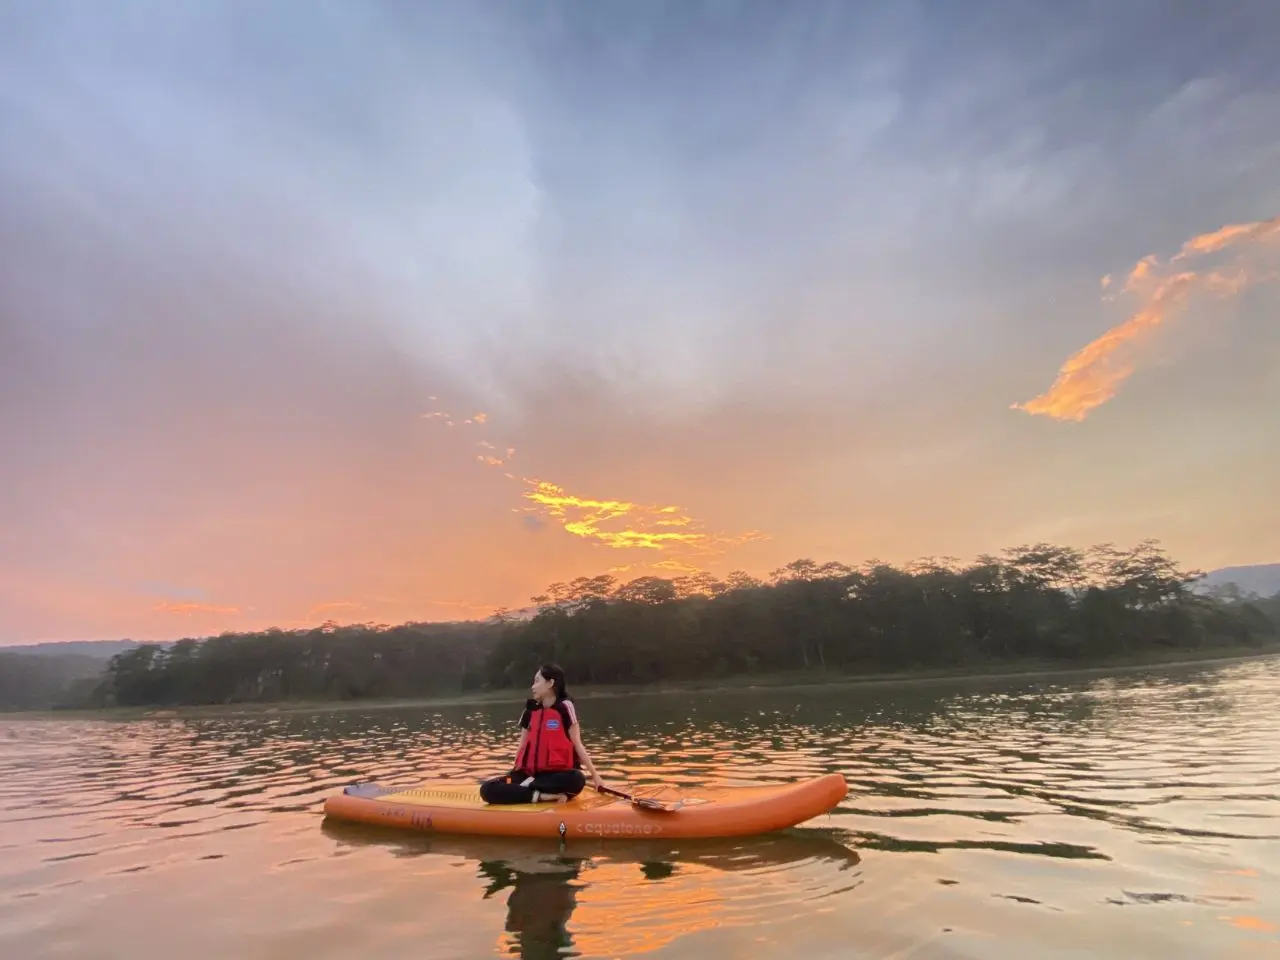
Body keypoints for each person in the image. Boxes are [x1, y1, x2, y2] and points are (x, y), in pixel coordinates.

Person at [479, 664, 605, 804]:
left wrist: (596, 777)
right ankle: (542, 796)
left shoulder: (565, 707)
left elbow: (577, 744)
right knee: (487, 788)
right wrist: (513, 774)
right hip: (528, 776)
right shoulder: (529, 711)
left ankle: (523, 791)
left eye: (537, 681)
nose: (533, 686)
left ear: (550, 683)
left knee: (577, 778)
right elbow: (522, 745)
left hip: (555, 777)